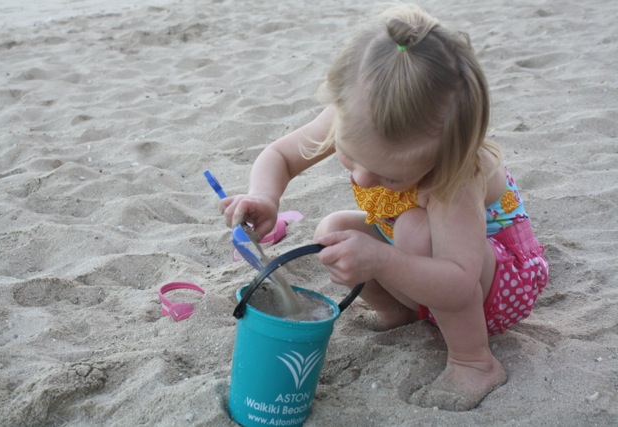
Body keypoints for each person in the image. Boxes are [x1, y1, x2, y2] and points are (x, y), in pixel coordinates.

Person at [220, 4, 549, 411]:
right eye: (347, 156)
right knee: (335, 229)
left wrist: (382, 262)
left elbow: (461, 282)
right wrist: (264, 196)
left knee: (412, 228)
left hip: (493, 287)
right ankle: (401, 313)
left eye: (389, 177)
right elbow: (281, 156)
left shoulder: (456, 173)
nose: (360, 179)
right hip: (428, 273)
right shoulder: (353, 113)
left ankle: (473, 361)